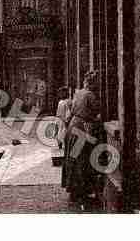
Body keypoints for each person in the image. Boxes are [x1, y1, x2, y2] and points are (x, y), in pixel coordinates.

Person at [62, 70, 103, 210]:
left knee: (72, 160)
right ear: (93, 83)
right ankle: (81, 195)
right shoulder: (91, 95)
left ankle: (74, 192)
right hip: (81, 129)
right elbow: (98, 111)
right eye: (96, 83)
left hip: (72, 127)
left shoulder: (78, 93)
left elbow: (73, 110)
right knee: (81, 161)